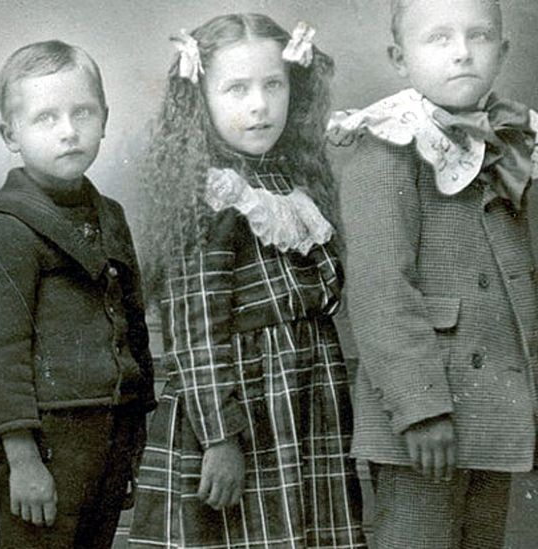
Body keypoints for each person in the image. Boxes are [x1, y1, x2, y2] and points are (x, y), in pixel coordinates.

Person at [128, 13, 365, 548]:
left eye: (273, 85)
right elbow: (193, 331)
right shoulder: (211, 191)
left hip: (305, 392)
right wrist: (219, 437)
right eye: (237, 89)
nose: (259, 105)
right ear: (200, 97)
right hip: (243, 403)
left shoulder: (294, 178)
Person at [330, 0, 538, 547]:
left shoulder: (509, 144)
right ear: (401, 57)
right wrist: (420, 408)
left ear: (504, 51)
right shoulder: (386, 150)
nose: (463, 52)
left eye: (480, 36)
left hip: (493, 405)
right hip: (422, 412)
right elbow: (381, 296)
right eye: (438, 38)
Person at [0, 40, 155, 548]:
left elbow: (133, 326)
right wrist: (23, 458)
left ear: (104, 118)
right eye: (46, 118)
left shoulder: (109, 215)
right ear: (11, 134)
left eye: (82, 113)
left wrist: (135, 438)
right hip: (48, 441)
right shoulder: (6, 229)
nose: (69, 131)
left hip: (112, 433)